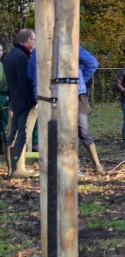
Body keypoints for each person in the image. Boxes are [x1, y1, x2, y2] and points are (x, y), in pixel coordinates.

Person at [28, 44, 103, 173]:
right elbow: (33, 74)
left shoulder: (67, 46)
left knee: (75, 131)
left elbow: (92, 63)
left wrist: (78, 82)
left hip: (69, 96)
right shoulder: (43, 49)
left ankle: (95, 164)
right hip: (56, 96)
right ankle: (72, 167)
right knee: (71, 131)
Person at [3, 29, 36, 176]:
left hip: (15, 99)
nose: (34, 42)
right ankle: (19, 169)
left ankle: (11, 168)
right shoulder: (22, 57)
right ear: (26, 40)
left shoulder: (9, 55)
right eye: (33, 39)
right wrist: (32, 101)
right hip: (24, 101)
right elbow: (24, 82)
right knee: (23, 134)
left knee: (13, 134)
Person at [0, 43, 7, 144]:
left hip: (5, 96)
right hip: (1, 95)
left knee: (3, 121)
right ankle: (4, 143)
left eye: (1, 50)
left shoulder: (3, 64)